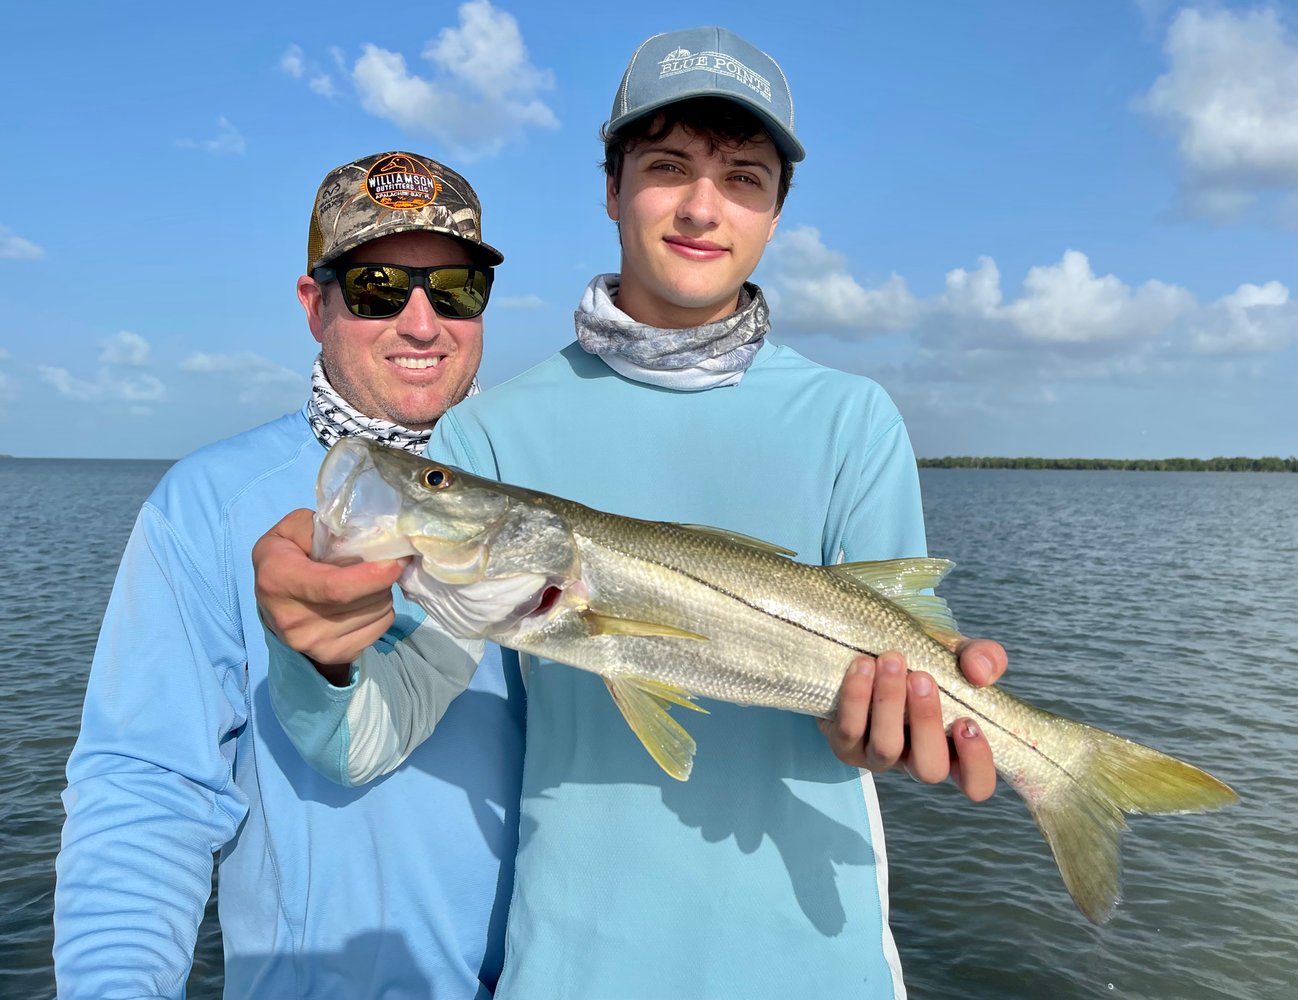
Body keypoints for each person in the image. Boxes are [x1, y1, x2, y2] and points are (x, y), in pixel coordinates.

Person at [259, 28, 1009, 1000]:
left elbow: (908, 676)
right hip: (571, 969)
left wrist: (903, 728)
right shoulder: (488, 437)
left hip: (820, 969)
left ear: (777, 211)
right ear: (610, 188)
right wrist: (317, 656)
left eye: (744, 177)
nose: (703, 206)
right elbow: (365, 736)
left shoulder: (851, 418)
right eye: (666, 168)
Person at [53, 151, 523, 999]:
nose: (423, 323)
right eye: (379, 287)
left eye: (455, 288)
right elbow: (147, 788)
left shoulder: (542, 495)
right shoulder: (206, 502)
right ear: (315, 306)